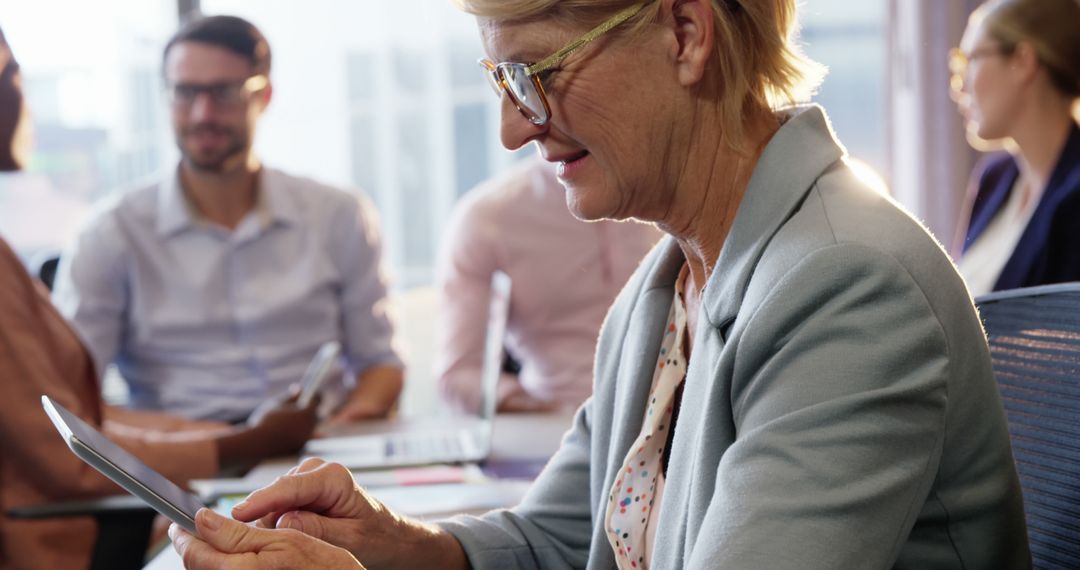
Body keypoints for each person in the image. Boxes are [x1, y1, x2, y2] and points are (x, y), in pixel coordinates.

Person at [171, 1, 1031, 568]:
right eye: (501, 82)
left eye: (535, 73)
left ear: (688, 35)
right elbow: (556, 540)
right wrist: (389, 544)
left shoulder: (847, 283)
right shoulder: (664, 291)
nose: (514, 127)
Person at [0, 26, 317, 570]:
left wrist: (245, 436)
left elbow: (78, 419)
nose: (20, 95)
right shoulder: (105, 232)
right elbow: (67, 448)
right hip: (67, 543)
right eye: (10, 75)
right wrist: (238, 446)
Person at [52, 15, 405, 424]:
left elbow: (382, 363)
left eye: (224, 92)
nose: (203, 113)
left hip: (317, 445)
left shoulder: (340, 215)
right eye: (185, 93)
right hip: (180, 457)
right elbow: (68, 397)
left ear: (265, 95)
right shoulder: (111, 234)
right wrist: (209, 444)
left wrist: (346, 424)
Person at [437, 156, 660, 413]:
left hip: (680, 419)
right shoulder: (487, 219)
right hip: (559, 426)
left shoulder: (677, 193)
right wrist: (538, 410)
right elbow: (460, 375)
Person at [949, 0, 1080, 296]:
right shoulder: (994, 177)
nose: (959, 84)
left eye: (971, 60)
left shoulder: (1075, 197)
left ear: (1023, 61)